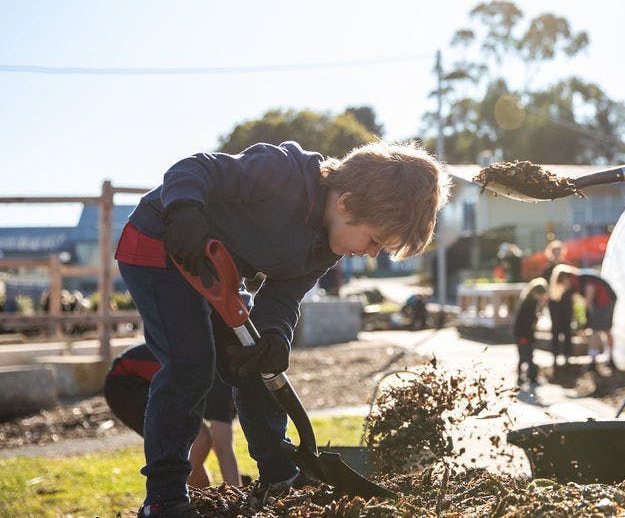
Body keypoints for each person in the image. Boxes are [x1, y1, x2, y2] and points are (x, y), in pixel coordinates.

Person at [114, 140, 450, 517]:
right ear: (347, 204)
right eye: (374, 241)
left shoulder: (327, 246)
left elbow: (283, 298)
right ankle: (164, 498)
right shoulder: (282, 172)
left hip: (216, 269)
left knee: (256, 363)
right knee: (190, 367)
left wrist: (275, 336)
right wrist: (184, 210)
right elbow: (194, 167)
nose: (371, 253)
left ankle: (279, 474)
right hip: (160, 243)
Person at [103, 343, 241, 488]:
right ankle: (166, 498)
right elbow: (223, 448)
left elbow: (220, 443)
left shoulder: (230, 391)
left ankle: (175, 498)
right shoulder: (225, 385)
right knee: (200, 437)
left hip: (149, 383)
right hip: (127, 381)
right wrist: (240, 498)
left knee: (201, 484)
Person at [552, 265, 618, 373]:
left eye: (563, 283)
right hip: (601, 300)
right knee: (603, 330)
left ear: (565, 279)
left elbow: (589, 297)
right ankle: (607, 358)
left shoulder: (580, 279)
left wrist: (588, 320)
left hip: (605, 300)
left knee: (596, 331)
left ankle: (594, 361)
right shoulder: (577, 280)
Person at [541, 240, 574, 367]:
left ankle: (568, 355)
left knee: (567, 328)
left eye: (558, 250)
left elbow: (572, 285)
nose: (556, 253)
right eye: (554, 251)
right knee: (555, 328)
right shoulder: (547, 269)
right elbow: (544, 287)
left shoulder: (567, 267)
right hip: (554, 303)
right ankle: (555, 355)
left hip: (566, 301)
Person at [513, 279, 548, 388]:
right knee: (528, 356)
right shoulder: (530, 303)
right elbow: (528, 320)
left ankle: (521, 377)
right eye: (541, 295)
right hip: (524, 334)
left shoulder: (527, 301)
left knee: (523, 357)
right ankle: (532, 377)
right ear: (535, 293)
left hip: (521, 333)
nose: (542, 297)